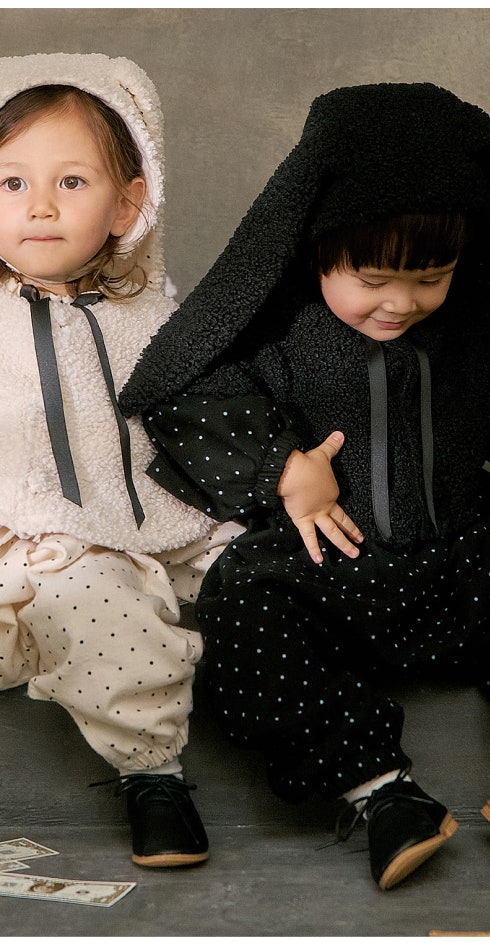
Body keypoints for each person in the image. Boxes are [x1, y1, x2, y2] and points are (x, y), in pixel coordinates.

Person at [120, 82, 490, 888]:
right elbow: (189, 395)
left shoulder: (472, 320)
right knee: (244, 609)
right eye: (371, 280)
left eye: (430, 276)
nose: (400, 303)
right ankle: (381, 792)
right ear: (317, 248)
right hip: (338, 559)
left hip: (465, 547)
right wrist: (282, 466)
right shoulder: (281, 327)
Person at [0, 53, 242, 868]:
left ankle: (360, 774)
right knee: (88, 592)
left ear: (128, 203)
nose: (38, 206)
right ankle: (153, 772)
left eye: (71, 182)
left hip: (160, 520)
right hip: (28, 541)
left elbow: (210, 417)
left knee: (272, 572)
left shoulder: (153, 312)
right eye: (11, 183)